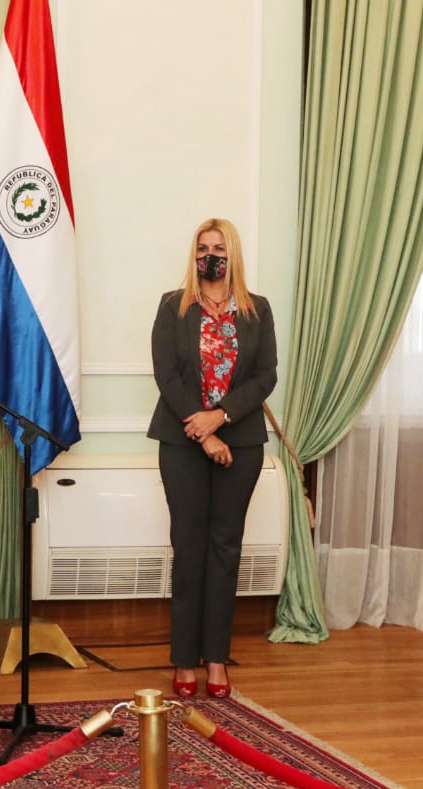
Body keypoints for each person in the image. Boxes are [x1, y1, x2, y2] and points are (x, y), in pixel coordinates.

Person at [148, 218, 277, 699]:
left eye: (219, 247)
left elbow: (266, 376)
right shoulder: (173, 306)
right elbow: (166, 374)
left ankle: (217, 659)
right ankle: (184, 660)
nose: (210, 255)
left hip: (240, 443)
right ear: (194, 255)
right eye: (203, 248)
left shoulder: (256, 309)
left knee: (225, 550)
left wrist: (220, 418)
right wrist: (202, 432)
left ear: (233, 254)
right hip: (182, 442)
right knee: (188, 549)